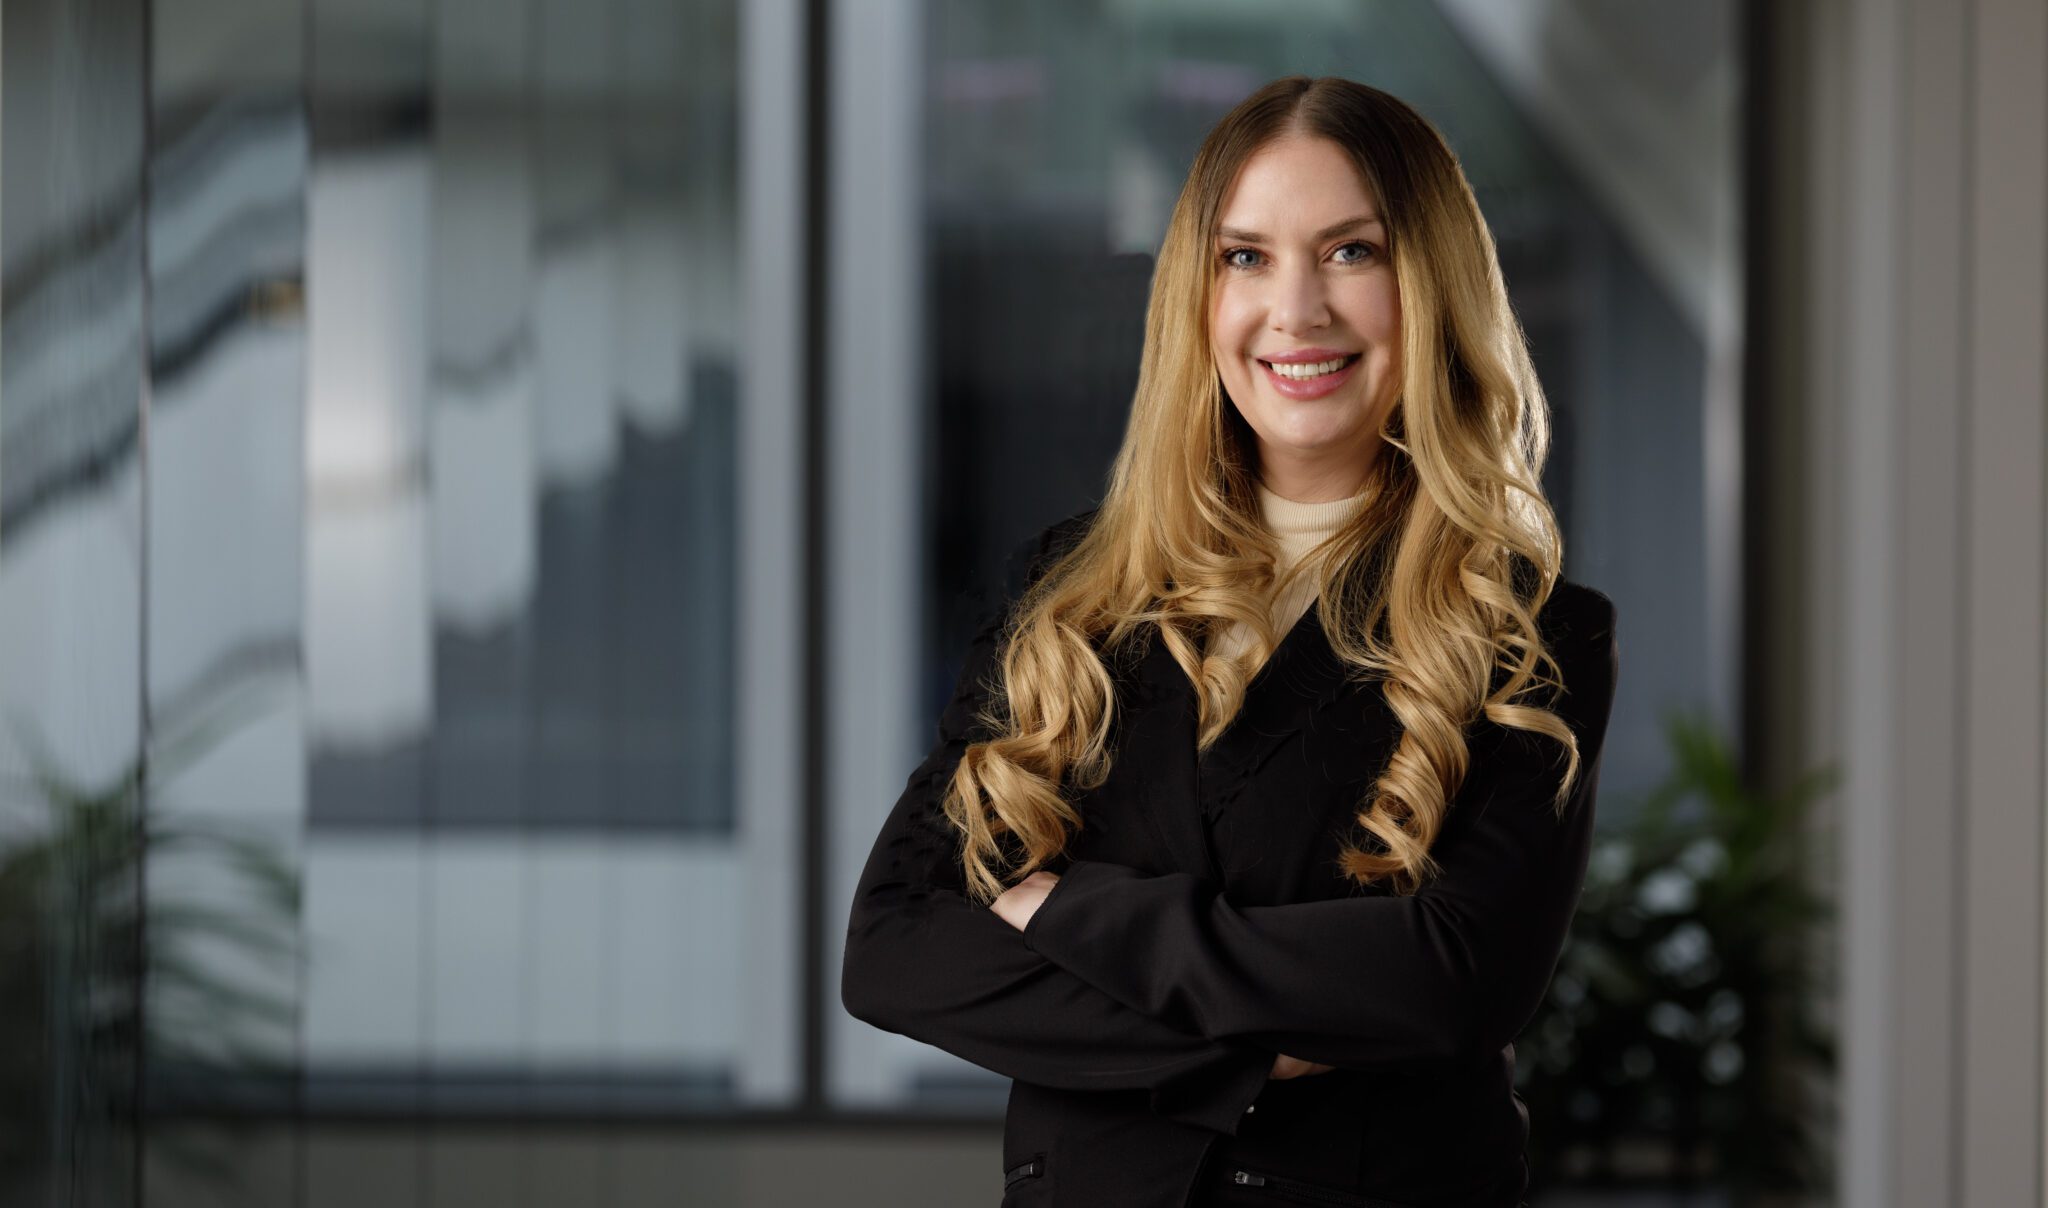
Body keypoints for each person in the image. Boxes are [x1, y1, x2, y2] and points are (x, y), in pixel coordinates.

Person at [840, 75, 1619, 1208]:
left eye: (1350, 252)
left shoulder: (1534, 632)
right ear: (1193, 297)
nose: (1294, 310)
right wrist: (1269, 1033)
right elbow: (898, 948)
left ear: (1430, 284)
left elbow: (1451, 980)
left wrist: (1068, 910)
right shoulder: (1070, 595)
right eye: (1243, 256)